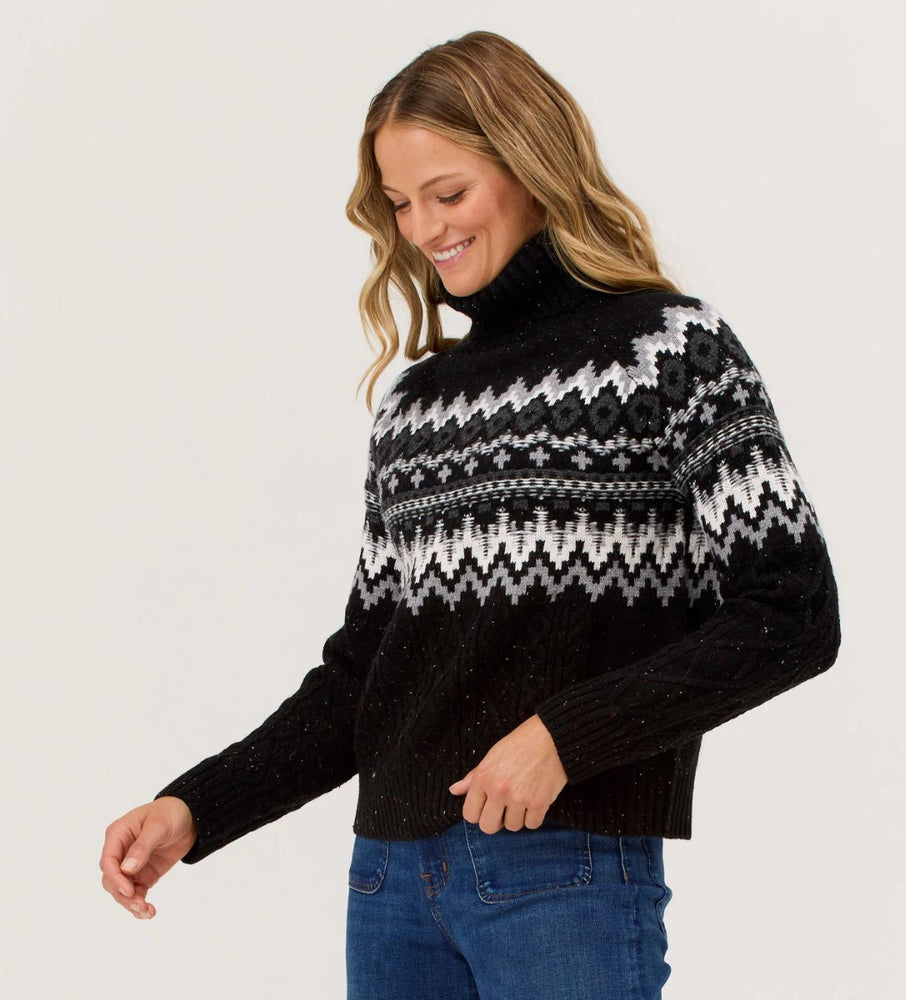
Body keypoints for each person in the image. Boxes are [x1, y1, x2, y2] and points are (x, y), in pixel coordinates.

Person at [100, 30, 841, 999]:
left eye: (447, 194)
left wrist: (565, 737)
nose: (423, 228)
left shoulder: (668, 351)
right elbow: (364, 673)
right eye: (400, 203)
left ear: (531, 166)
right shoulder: (417, 404)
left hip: (561, 871)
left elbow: (793, 612)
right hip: (390, 884)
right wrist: (197, 806)